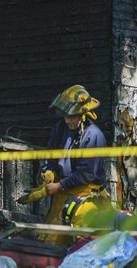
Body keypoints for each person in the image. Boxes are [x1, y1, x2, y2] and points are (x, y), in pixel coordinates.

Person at [39, 84, 107, 244]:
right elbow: (51, 154)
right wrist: (49, 170)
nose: (68, 120)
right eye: (66, 116)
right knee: (51, 244)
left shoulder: (93, 136)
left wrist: (58, 186)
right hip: (62, 196)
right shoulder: (60, 128)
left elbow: (86, 174)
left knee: (86, 244)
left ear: (83, 114)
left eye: (72, 116)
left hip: (86, 199)